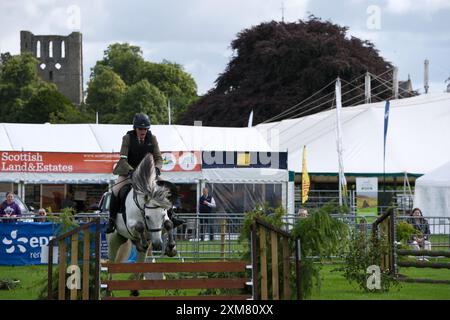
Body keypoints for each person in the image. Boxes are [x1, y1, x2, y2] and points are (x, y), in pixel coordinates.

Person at [105, 113, 184, 233]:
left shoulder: (152, 139)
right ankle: (111, 220)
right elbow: (123, 158)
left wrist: (157, 168)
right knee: (115, 191)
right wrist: (131, 170)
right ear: (135, 128)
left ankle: (171, 216)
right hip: (128, 171)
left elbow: (158, 158)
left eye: (145, 129)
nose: (143, 131)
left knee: (165, 188)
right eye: (140, 129)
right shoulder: (127, 138)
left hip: (148, 173)